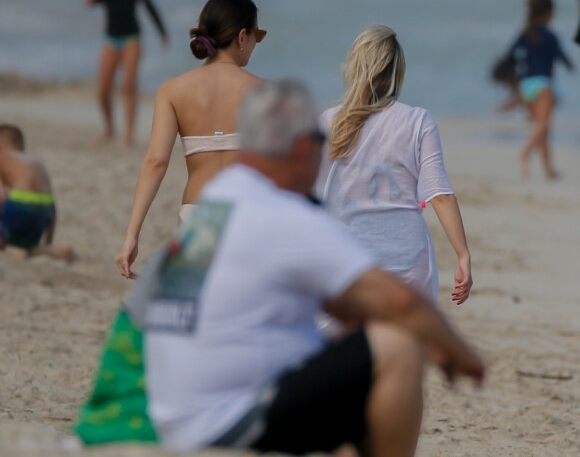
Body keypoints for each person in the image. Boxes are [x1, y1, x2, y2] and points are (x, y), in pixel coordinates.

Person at [127, 79, 484, 456]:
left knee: (349, 397)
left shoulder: (222, 197)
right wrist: (461, 355)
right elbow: (401, 302)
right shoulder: (282, 214)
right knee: (397, 345)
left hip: (175, 414)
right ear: (303, 147)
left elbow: (342, 304)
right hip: (228, 423)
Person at [315, 26, 472, 305]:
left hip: (344, 264)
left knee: (349, 346)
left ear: (353, 67)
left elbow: (308, 195)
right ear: (398, 72)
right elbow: (440, 195)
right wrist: (463, 255)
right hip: (408, 264)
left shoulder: (327, 122)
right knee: (408, 346)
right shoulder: (417, 121)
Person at [116, 0, 265, 279]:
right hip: (248, 212)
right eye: (258, 35)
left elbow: (156, 162)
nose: (256, 43)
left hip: (197, 213)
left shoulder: (172, 90)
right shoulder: (264, 92)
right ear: (242, 36)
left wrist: (132, 235)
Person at [86, 0, 168, 148]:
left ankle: (129, 136)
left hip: (132, 38)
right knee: (103, 90)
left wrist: (162, 33)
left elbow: (149, 6)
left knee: (128, 86)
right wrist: (94, 0)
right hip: (111, 39)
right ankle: (109, 128)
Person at [505, 0, 574, 179]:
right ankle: (525, 154)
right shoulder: (550, 36)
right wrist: (571, 66)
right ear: (549, 14)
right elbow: (562, 57)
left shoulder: (525, 34)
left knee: (541, 127)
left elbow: (510, 57)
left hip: (527, 86)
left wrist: (516, 82)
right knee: (544, 126)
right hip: (544, 85)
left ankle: (548, 170)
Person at [0, 124, 75, 262]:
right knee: (22, 242)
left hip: (20, 210)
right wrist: (49, 239)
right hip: (44, 215)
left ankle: (7, 248)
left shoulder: (2, 158)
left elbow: (2, 197)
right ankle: (46, 249)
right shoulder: (35, 161)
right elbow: (52, 205)